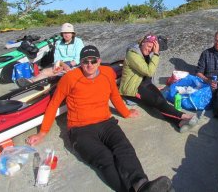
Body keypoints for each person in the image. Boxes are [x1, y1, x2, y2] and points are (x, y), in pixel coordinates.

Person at [26, 45, 173, 192]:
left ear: (99, 61)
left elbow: (114, 94)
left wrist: (126, 112)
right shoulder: (69, 78)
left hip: (106, 123)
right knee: (105, 158)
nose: (89, 65)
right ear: (80, 62)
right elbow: (54, 104)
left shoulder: (108, 73)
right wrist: (42, 132)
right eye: (85, 61)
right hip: (80, 130)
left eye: (93, 61)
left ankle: (141, 184)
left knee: (124, 149)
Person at [119, 34, 198, 133]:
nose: (149, 50)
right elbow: (149, 71)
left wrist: (156, 50)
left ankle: (178, 123)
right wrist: (155, 54)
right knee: (157, 101)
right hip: (133, 88)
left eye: (152, 48)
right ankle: (184, 116)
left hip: (145, 83)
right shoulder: (132, 54)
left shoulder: (147, 53)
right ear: (142, 42)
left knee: (162, 101)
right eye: (148, 46)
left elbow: (150, 72)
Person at [17, 23, 84, 87]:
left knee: (61, 74)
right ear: (62, 34)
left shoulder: (78, 41)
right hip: (61, 65)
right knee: (45, 71)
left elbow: (78, 58)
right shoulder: (58, 43)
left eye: (69, 32)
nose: (67, 35)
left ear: (72, 33)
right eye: (65, 33)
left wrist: (67, 65)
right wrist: (58, 65)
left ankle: (47, 81)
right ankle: (31, 82)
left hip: (74, 65)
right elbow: (57, 58)